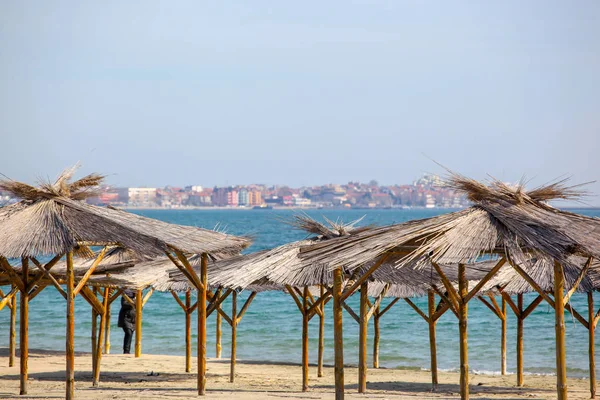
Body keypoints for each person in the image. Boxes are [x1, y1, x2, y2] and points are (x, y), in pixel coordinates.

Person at [118, 289, 136, 354]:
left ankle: (128, 350)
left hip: (133, 319)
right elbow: (124, 304)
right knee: (128, 332)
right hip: (125, 317)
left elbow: (140, 307)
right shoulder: (125, 296)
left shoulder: (137, 297)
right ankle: (126, 350)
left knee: (131, 333)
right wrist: (133, 303)